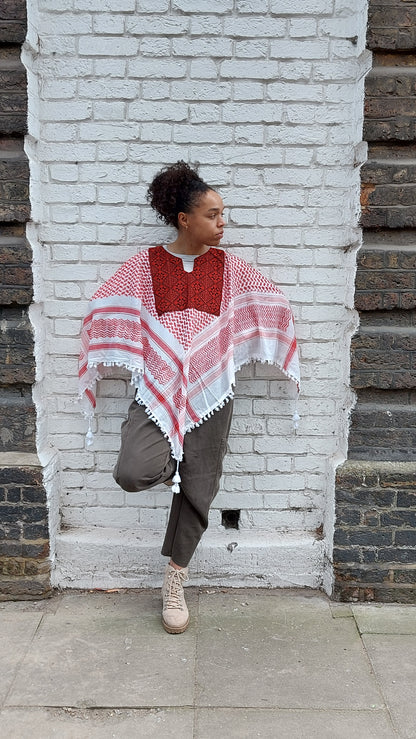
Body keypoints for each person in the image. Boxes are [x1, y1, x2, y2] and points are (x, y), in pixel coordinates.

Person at [79, 161, 300, 634]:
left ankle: (174, 582)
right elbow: (103, 308)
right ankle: (174, 464)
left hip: (211, 391)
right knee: (133, 471)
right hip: (158, 392)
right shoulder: (144, 266)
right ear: (184, 218)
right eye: (213, 214)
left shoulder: (229, 269)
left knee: (200, 490)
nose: (222, 223)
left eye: (223, 214)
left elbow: (273, 305)